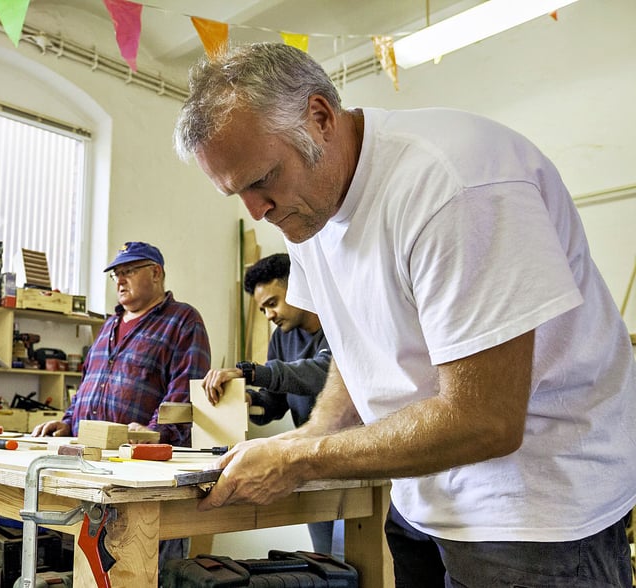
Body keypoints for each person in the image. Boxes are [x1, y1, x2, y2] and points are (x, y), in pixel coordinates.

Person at [174, 43, 636, 585]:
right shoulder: (306, 209)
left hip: (534, 510)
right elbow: (356, 345)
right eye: (237, 193)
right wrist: (313, 432)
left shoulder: (454, 185)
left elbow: (486, 419)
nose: (257, 211)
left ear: (319, 118)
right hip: (421, 493)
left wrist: (304, 459)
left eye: (261, 180)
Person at [32, 241, 211, 561]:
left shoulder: (183, 320)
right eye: (116, 274)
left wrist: (152, 435)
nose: (120, 281)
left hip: (147, 475)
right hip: (94, 469)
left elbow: (185, 395)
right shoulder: (108, 326)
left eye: (129, 271)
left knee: (153, 569)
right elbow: (87, 384)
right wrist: (68, 421)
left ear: (156, 273)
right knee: (93, 568)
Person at [200, 252, 342, 558]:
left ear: (299, 286)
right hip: (311, 464)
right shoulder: (282, 338)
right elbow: (276, 402)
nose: (269, 315)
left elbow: (323, 372)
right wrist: (248, 401)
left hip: (350, 459)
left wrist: (250, 372)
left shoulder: (338, 322)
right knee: (328, 562)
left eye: (273, 303)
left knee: (355, 557)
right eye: (263, 309)